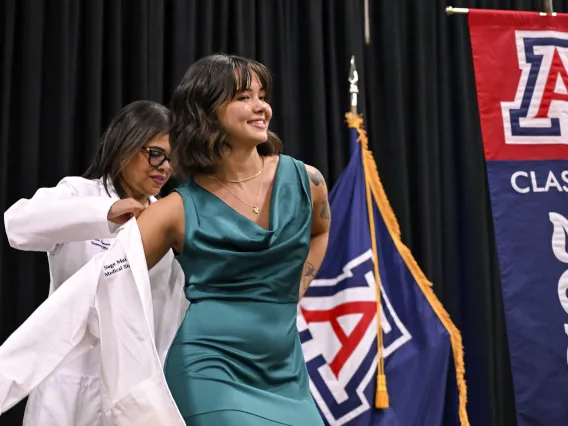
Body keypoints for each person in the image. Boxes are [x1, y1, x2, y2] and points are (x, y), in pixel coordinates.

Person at [135, 53, 331, 425]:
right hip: (209, 371)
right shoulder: (175, 209)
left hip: (287, 374)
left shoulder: (308, 181)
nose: (261, 108)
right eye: (244, 97)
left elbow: (320, 231)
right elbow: (112, 279)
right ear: (206, 112)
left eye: (262, 95)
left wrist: (299, 282)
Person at [3, 100, 177, 425]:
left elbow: (167, 318)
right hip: (65, 383)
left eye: (172, 158)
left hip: (130, 393)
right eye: (156, 153)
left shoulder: (168, 219)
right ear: (125, 143)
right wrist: (103, 214)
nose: (165, 167)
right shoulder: (81, 194)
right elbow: (18, 224)